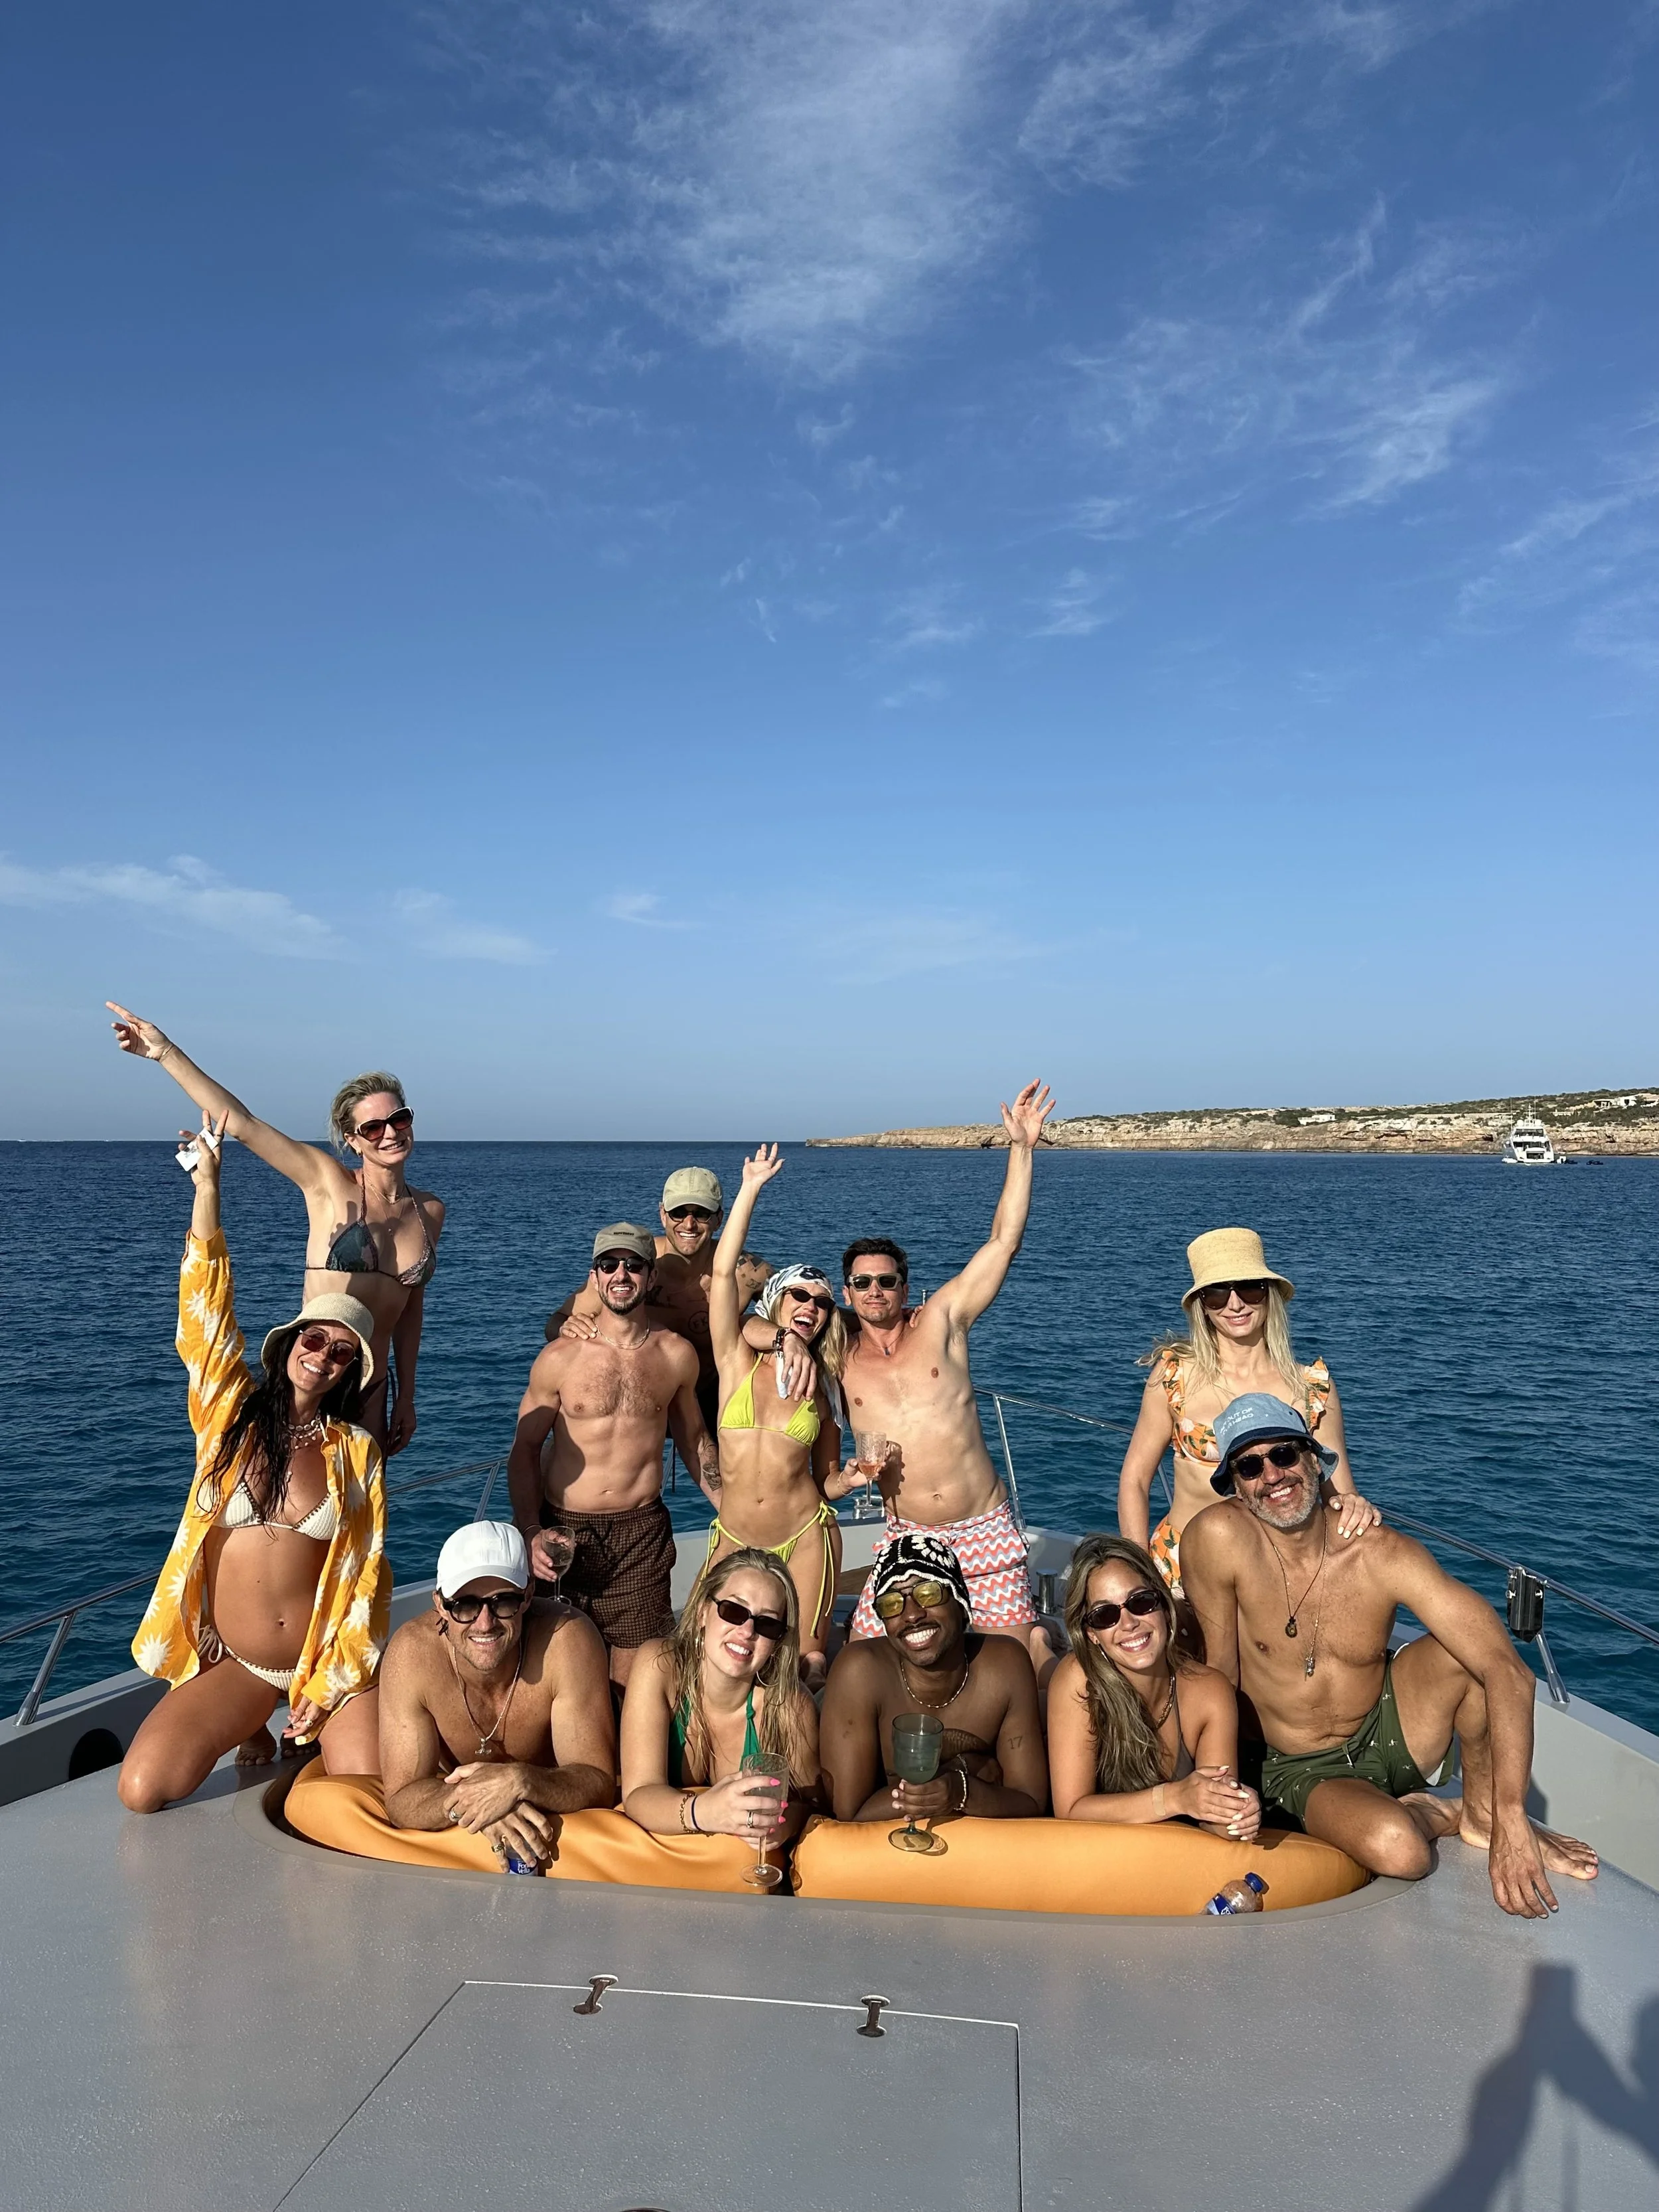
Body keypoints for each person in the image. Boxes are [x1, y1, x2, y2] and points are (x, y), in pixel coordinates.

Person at [1180, 1394, 1599, 1919]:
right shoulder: (1217, 1539)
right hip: (1296, 1765)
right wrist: (1214, 1792)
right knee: (1403, 1851)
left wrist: (1515, 1814)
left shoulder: (1382, 1552)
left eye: (1285, 1454)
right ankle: (1435, 1811)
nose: (1272, 1475)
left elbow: (1509, 1670)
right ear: (1236, 1487)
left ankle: (1486, 1816)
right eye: (1250, 1464)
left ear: (1315, 1459)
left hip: (1388, 1727)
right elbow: (1217, 1676)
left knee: (1467, 1656)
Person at [118, 1112, 388, 1812]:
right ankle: (255, 1726)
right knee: (143, 1791)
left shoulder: (354, 1453)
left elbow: (366, 1583)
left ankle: (294, 1732)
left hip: (322, 1663)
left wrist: (327, 1690)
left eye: (341, 1355)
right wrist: (207, 1186)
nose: (323, 1357)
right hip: (241, 1665)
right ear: (289, 1342)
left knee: (363, 1797)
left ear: (349, 1374)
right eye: (315, 1339)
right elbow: (204, 1310)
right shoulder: (226, 1416)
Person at [108, 1003, 443, 1455]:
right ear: (352, 1138)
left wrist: (406, 1397)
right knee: (290, 1507)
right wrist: (166, 1052)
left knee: (360, 1514)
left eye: (399, 1118)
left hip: (373, 1387)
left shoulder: (430, 1211)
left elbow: (409, 1312)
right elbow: (243, 1124)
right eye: (373, 1126)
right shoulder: (326, 1182)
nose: (390, 1133)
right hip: (313, 1380)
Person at [840, 1081, 1054, 1659]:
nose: (875, 1290)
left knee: (1013, 1664)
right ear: (848, 1291)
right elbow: (752, 1317)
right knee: (861, 1660)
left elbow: (1003, 1241)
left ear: (905, 1287)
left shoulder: (941, 1322)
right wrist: (781, 1333)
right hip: (909, 1539)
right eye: (863, 1282)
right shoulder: (834, 1352)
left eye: (887, 1280)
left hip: (982, 1525)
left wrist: (1022, 1149)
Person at [508, 1222, 719, 1686]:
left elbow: (694, 1442)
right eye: (609, 1264)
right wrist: (530, 1531)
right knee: (556, 1678)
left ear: (650, 1277)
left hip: (640, 1536)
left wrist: (734, 1510)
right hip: (562, 1533)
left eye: (633, 1264)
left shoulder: (676, 1354)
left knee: (636, 1681)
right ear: (595, 1276)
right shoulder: (560, 1357)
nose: (620, 1274)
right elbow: (525, 1448)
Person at [1116, 1226, 1376, 1597]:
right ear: (1201, 1305)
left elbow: (1338, 1495)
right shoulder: (1173, 1375)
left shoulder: (1313, 1388)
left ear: (1270, 1295)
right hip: (1180, 1570)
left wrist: (1354, 1507)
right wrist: (1139, 1570)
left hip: (1274, 1577)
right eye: (1217, 1293)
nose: (1235, 1304)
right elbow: (1135, 1480)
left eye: (1249, 1288)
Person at [701, 1146, 865, 1686]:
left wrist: (856, 1477)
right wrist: (749, 1188)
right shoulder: (735, 1361)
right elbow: (723, 1274)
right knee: (710, 1662)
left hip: (805, 1536)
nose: (812, 1306)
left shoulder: (824, 1388)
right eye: (800, 1294)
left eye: (821, 1303)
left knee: (807, 1667)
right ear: (776, 1301)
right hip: (735, 1534)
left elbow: (826, 1479)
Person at [378, 1522, 616, 1872]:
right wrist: (475, 1801)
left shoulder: (568, 1640)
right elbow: (401, 1797)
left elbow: (598, 1780)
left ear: (529, 1595)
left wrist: (521, 1782)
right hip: (460, 1807)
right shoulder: (411, 1654)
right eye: (465, 1605)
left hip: (550, 1803)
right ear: (440, 1605)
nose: (484, 1623)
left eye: (503, 1601)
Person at [820, 1534, 1048, 1826]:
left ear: (960, 1601)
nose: (912, 1615)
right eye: (892, 1604)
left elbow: (1031, 1802)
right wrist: (964, 1770)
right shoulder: (858, 1672)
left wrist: (959, 1790)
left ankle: (1042, 1647)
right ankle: (815, 1674)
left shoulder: (1005, 1665)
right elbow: (847, 1818)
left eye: (928, 1593)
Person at [1047, 1533, 1259, 1836]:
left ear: (1162, 1603)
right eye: (1105, 1615)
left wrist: (1238, 1814)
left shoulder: (1211, 1693)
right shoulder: (1078, 1681)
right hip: (1101, 1853)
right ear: (1091, 1632)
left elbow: (1216, 1821)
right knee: (1047, 1683)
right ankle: (1041, 1644)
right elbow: (1070, 1811)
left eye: (1141, 1602)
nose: (1129, 1623)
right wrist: (1173, 1798)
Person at [621, 1548, 820, 1862]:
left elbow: (812, 1803)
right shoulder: (659, 1666)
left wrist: (784, 1826)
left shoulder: (790, 1707)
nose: (747, 1631)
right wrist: (708, 1811)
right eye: (733, 1611)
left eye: (767, 1624)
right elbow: (638, 1793)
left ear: (779, 1641)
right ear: (702, 1611)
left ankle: (816, 1671)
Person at [547, 1167, 741, 1431]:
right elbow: (556, 1321)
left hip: (710, 1399)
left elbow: (795, 1302)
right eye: (678, 1213)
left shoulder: (744, 1272)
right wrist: (565, 1327)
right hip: (640, 1395)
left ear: (719, 1218)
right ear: (663, 1214)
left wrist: (786, 1339)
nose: (689, 1224)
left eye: (702, 1213)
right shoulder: (632, 1267)